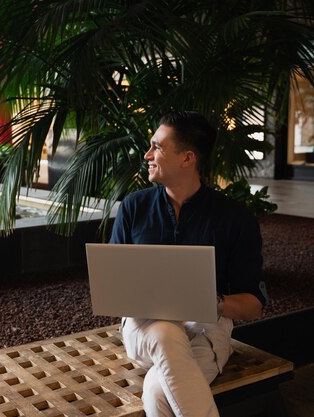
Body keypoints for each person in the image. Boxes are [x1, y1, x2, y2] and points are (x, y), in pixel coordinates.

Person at [109, 111, 268, 417]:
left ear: (187, 159)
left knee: (157, 392)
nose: (147, 154)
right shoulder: (134, 207)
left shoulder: (235, 219)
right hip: (144, 329)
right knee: (165, 333)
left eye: (157, 147)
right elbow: (117, 289)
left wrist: (211, 302)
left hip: (205, 330)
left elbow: (252, 306)